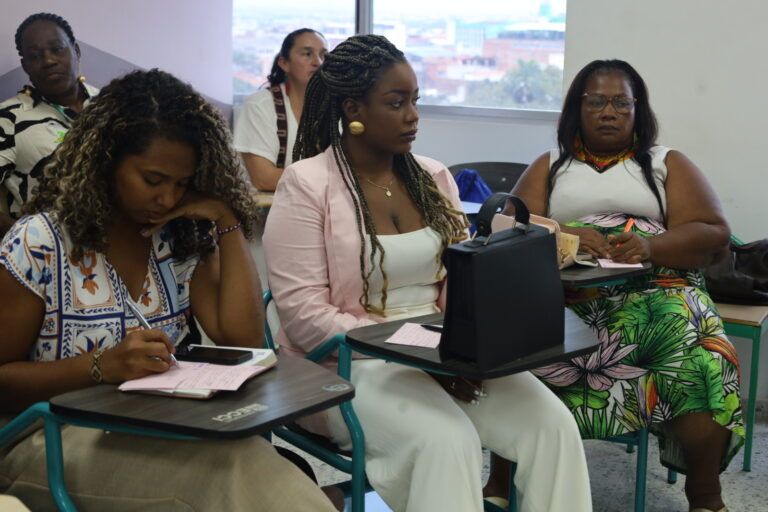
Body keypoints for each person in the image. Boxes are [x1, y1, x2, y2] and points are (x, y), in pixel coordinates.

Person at [263, 34, 592, 512]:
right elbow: (303, 315)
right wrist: (416, 355)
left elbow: (463, 284)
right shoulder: (307, 184)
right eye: (396, 103)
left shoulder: (434, 177)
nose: (413, 115)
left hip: (445, 354)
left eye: (414, 100)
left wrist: (462, 353)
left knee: (553, 425)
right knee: (446, 440)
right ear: (353, 108)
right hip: (349, 365)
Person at [0, 69, 336, 512]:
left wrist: (225, 220)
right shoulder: (39, 243)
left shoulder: (177, 238)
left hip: (164, 426)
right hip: (49, 439)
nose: (167, 198)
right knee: (234, 477)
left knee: (248, 465)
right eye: (153, 180)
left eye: (181, 184)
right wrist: (101, 366)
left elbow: (243, 339)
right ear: (105, 162)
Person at [505, 59, 743, 512]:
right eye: (596, 101)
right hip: (571, 299)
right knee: (511, 350)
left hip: (662, 292)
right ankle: (502, 478)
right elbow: (510, 227)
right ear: (579, 107)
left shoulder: (663, 162)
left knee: (702, 356)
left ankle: (705, 497)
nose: (608, 111)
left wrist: (651, 248)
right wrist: (565, 236)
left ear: (638, 110)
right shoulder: (551, 164)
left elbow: (713, 230)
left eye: (620, 102)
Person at [0, 13, 99, 236]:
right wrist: (24, 239)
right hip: (57, 255)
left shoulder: (110, 103)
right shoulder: (9, 118)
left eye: (57, 49)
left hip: (125, 243)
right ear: (25, 66)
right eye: (35, 56)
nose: (48, 61)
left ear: (76, 51)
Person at [233, 28, 328, 191]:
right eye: (307, 54)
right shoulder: (259, 106)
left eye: (323, 55)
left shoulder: (336, 108)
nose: (318, 62)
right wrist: (332, 182)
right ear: (284, 63)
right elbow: (264, 179)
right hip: (270, 211)